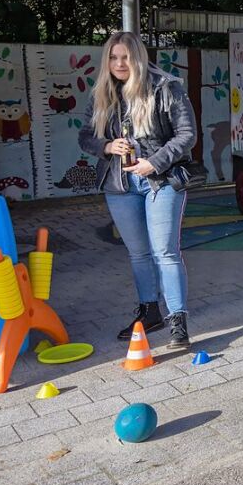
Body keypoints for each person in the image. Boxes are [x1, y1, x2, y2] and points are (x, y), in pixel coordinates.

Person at [78, 31, 197, 348]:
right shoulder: (103, 93)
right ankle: (150, 311)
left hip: (161, 181)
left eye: (125, 57)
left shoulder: (165, 87)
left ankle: (177, 321)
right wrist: (106, 145)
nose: (119, 63)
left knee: (165, 253)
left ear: (138, 57)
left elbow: (187, 135)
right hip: (120, 185)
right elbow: (85, 136)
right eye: (113, 58)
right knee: (139, 254)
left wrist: (153, 163)